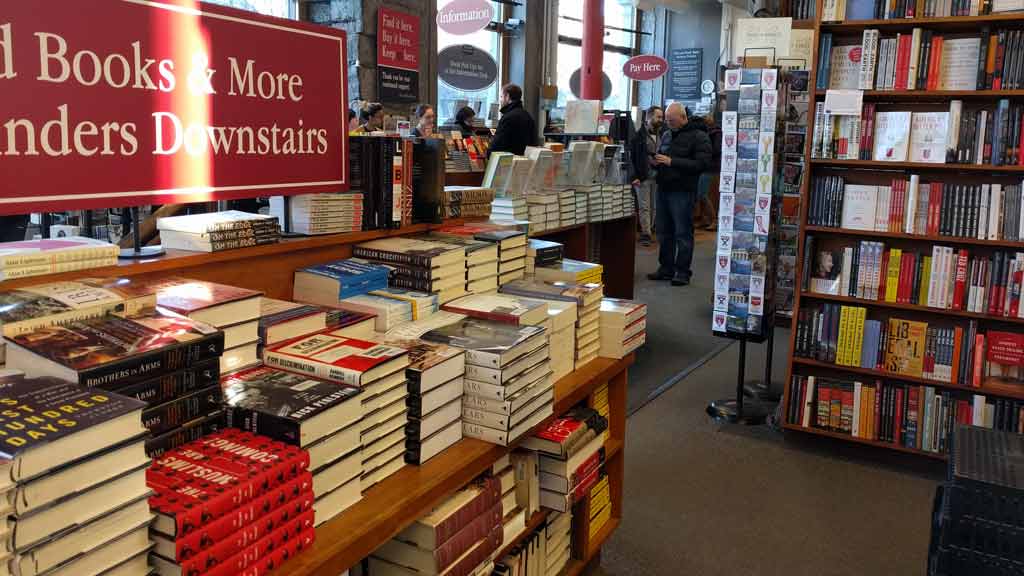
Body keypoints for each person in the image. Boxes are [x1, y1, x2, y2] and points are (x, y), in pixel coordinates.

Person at [649, 103, 712, 286]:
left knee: (683, 233)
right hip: (664, 188)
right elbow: (663, 156)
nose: (668, 124)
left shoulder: (700, 136)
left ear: (683, 118)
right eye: (667, 120)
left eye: (672, 120)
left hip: (683, 191)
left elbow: (702, 164)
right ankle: (666, 268)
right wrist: (656, 161)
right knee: (663, 232)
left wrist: (672, 161)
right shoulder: (667, 134)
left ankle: (682, 272)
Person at [630, 105, 664, 247]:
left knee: (654, 205)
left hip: (658, 176)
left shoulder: (662, 134)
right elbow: (632, 157)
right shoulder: (638, 136)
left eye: (662, 117)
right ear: (649, 117)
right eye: (658, 117)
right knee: (644, 206)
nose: (661, 120)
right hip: (643, 175)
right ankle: (646, 233)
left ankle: (650, 229)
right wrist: (634, 176)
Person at [489, 84, 536, 156]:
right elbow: (533, 142)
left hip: (507, 161)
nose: (500, 100)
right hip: (525, 160)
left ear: (507, 96)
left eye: (501, 96)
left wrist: (488, 153)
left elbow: (498, 144)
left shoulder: (508, 117)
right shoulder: (528, 116)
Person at [696, 111, 722, 230]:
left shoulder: (716, 133)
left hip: (711, 168)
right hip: (705, 167)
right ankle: (705, 219)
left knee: (705, 194)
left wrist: (704, 150)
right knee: (701, 194)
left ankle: (714, 220)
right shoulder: (708, 133)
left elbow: (717, 150)